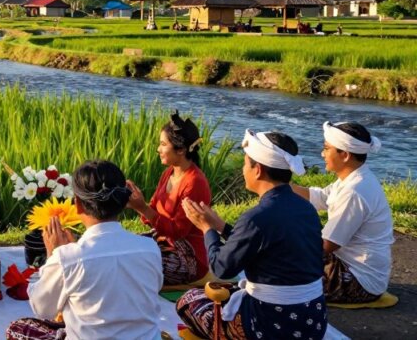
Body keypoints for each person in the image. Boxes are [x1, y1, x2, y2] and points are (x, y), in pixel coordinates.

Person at [178, 130, 326, 340]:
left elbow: (221, 267)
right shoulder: (306, 208)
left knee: (189, 300)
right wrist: (220, 226)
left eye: (246, 163)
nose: (243, 169)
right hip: (312, 322)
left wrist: (206, 228)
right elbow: (262, 241)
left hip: (270, 326)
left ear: (257, 170)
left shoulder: (257, 217)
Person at [6, 160, 163, 340]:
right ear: (123, 202)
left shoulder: (68, 257)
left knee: (18, 329)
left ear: (77, 204)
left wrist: (53, 255)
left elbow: (42, 308)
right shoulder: (149, 248)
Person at [291, 121, 393, 303]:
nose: (322, 154)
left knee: (281, 272)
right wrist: (282, 185)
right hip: (358, 270)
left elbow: (327, 245)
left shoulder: (354, 191)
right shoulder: (354, 178)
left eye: (326, 148)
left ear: (344, 155)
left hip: (358, 281)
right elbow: (321, 197)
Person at [126, 112, 212, 285]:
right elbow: (153, 211)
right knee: (120, 249)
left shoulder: (195, 183)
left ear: (180, 150)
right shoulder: (169, 172)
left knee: (131, 265)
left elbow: (178, 231)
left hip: (189, 257)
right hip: (164, 243)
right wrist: (134, 203)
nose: (158, 149)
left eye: (163, 144)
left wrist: (142, 208)